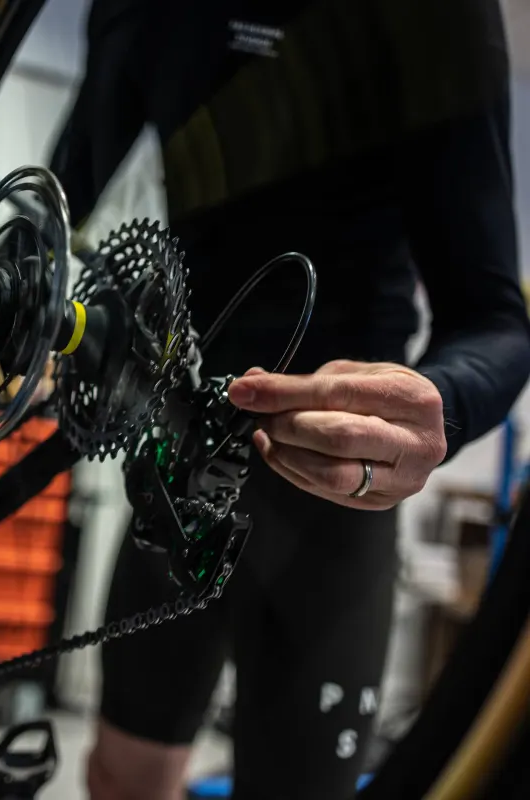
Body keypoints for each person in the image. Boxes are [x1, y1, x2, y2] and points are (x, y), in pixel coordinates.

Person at [49, 1, 530, 797]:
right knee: (121, 777)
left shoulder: (440, 18)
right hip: (180, 451)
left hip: (335, 488)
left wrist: (437, 404)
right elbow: (52, 208)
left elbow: (496, 322)